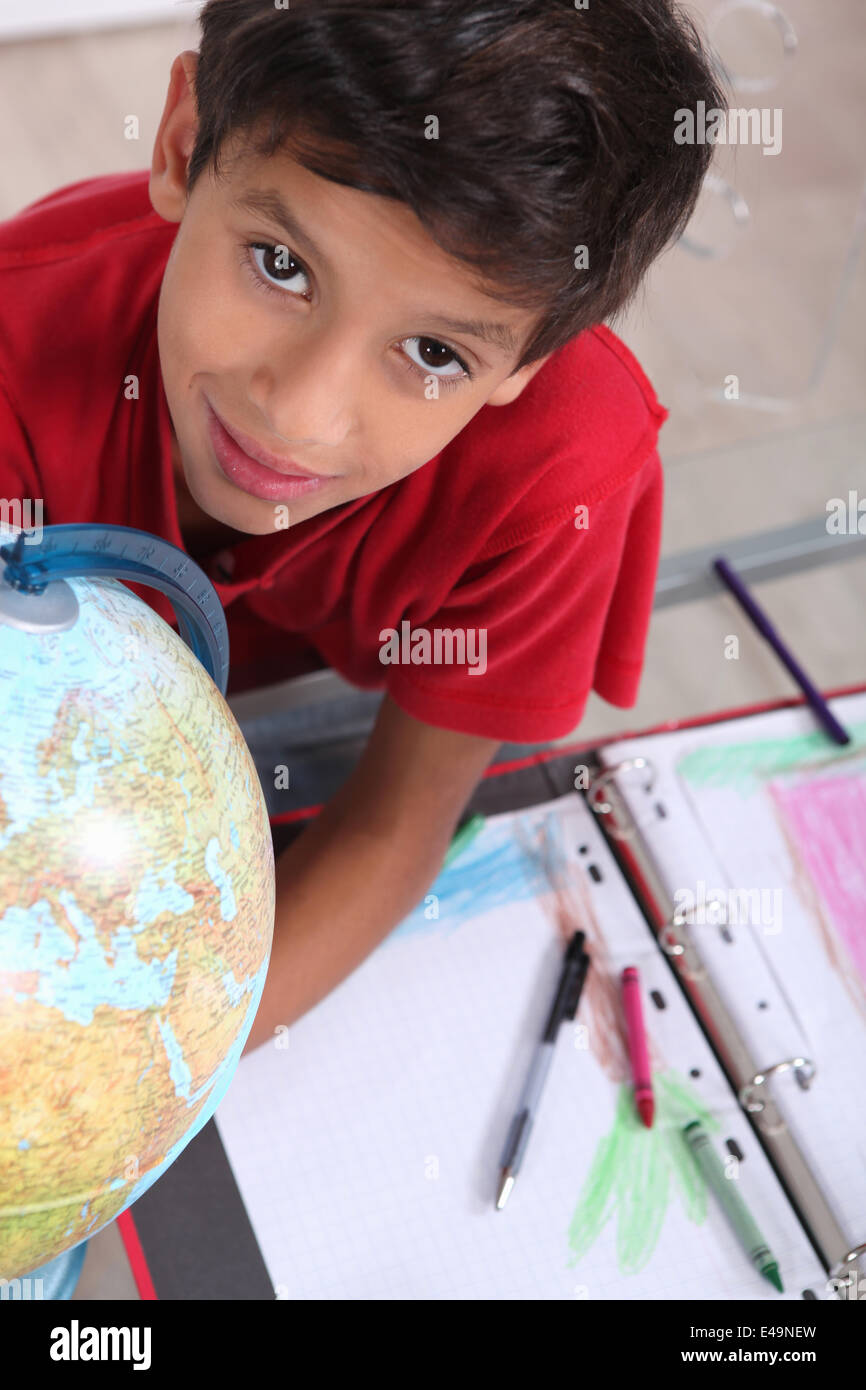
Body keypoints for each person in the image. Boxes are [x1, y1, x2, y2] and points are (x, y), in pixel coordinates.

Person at [0, 0, 725, 1055]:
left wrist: (148, 1079)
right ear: (182, 144)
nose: (295, 414)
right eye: (280, 264)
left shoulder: (563, 467)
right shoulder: (19, 341)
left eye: (434, 354)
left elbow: (394, 823)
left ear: (528, 362)